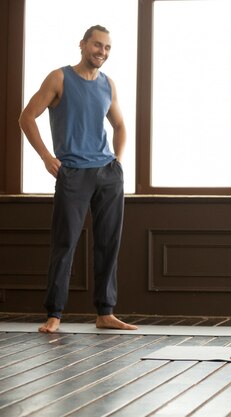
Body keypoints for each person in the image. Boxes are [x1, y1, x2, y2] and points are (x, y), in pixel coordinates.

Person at [18, 25, 137, 333]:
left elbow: (121, 125)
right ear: (83, 45)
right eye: (98, 45)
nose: (103, 52)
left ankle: (105, 313)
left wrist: (117, 163)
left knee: (108, 242)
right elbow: (26, 116)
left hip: (107, 174)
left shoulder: (107, 84)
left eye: (108, 48)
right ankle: (54, 314)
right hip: (72, 172)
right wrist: (46, 156)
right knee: (65, 242)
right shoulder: (59, 78)